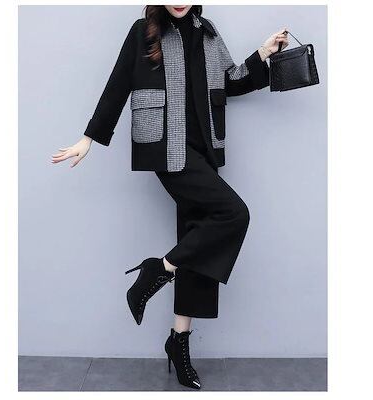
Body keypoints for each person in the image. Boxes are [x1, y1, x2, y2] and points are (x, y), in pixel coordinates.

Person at [51, 5, 288, 390]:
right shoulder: (143, 31)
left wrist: (263, 53)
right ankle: (156, 271)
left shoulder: (208, 32)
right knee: (233, 214)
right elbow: (118, 83)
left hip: (205, 149)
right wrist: (89, 138)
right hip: (166, 148)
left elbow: (231, 81)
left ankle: (178, 341)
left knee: (199, 239)